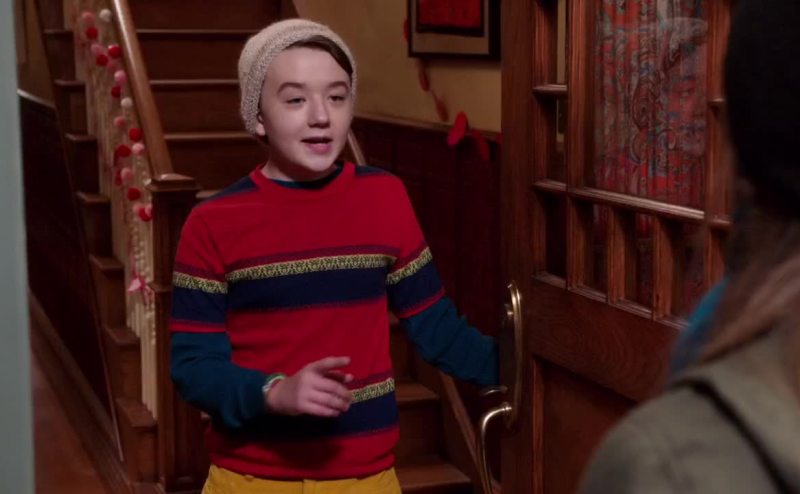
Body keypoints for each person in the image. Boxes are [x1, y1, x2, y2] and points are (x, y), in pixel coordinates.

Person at [168, 19, 498, 494]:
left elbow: (437, 328)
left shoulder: (385, 197)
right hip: (250, 480)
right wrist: (274, 392)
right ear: (257, 116)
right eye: (295, 99)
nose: (321, 116)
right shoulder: (212, 223)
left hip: (366, 481)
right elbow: (193, 366)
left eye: (337, 97)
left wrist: (524, 373)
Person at [580, 1, 800, 492]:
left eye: (704, 95)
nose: (697, 113)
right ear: (653, 96)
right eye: (683, 92)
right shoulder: (624, 177)